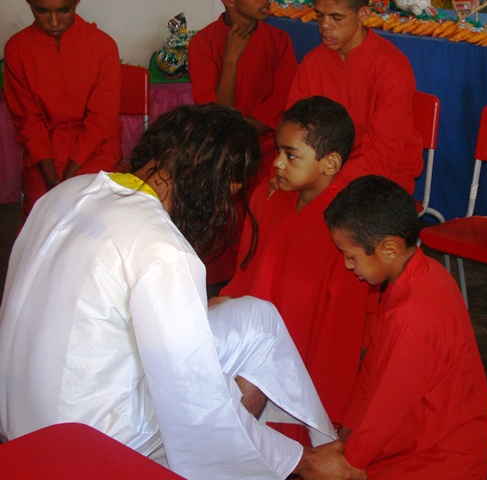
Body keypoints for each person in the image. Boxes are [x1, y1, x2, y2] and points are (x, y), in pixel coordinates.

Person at [0, 103, 366, 480]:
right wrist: (300, 461)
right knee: (220, 382)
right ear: (208, 185)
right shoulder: (162, 247)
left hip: (19, 414)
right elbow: (196, 402)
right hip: (89, 439)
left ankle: (320, 444)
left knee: (257, 320)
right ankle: (308, 461)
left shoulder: (70, 190)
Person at [324, 175, 487, 479]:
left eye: (351, 256)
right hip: (421, 435)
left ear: (389, 249)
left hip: (442, 458)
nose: (348, 266)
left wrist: (348, 463)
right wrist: (344, 434)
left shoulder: (412, 319)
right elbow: (371, 371)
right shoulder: (414, 275)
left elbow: (387, 410)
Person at [218, 96, 370, 441]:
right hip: (253, 340)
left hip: (305, 354)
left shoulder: (347, 227)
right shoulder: (267, 196)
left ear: (330, 163)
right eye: (277, 151)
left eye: (291, 155)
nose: (276, 163)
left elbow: (341, 329)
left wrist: (325, 411)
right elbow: (246, 269)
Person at [188, 0, 299, 286]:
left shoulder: (279, 41)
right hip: (218, 149)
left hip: (266, 146)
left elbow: (281, 104)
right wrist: (230, 59)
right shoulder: (202, 44)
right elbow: (214, 116)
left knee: (268, 208)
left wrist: (239, 132)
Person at [286, 0, 423, 195]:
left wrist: (330, 186)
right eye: (320, 16)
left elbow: (384, 154)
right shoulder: (311, 63)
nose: (325, 25)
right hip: (322, 171)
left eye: (336, 18)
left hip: (382, 178)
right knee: (268, 198)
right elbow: (293, 132)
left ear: (363, 14)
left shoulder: (392, 66)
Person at [3, 0, 121, 218]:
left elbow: (101, 121)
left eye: (64, 11)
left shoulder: (103, 46)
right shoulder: (17, 48)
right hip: (43, 152)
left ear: (76, 2)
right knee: (42, 215)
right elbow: (27, 120)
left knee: (92, 213)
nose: (54, 22)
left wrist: (67, 178)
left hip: (94, 148)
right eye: (42, 11)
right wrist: (51, 178)